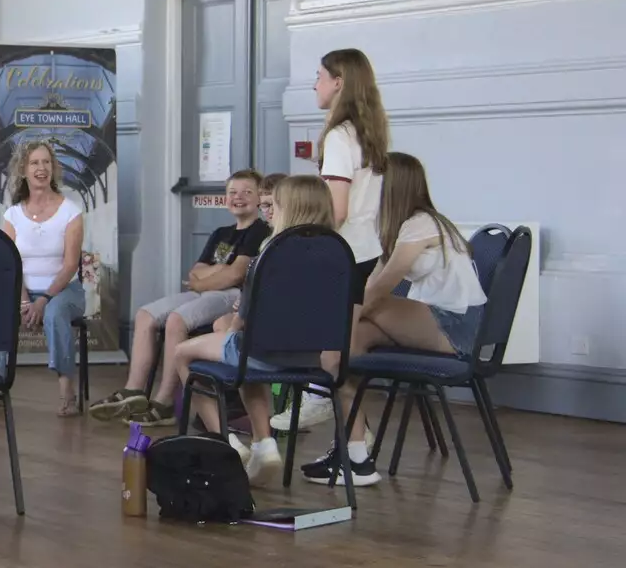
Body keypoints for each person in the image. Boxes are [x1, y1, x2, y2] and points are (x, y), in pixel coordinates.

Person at [301, 152, 486, 486]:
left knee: (364, 312)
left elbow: (378, 288)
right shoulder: (402, 227)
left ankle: (318, 392)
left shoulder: (421, 224)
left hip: (455, 328)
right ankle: (355, 453)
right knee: (348, 345)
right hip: (432, 322)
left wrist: (326, 320)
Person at [162, 175, 337, 486]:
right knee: (246, 357)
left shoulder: (272, 250)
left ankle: (226, 438)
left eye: (276, 204)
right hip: (310, 359)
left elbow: (245, 317)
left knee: (183, 353)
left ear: (289, 208)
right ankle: (262, 443)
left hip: (258, 352)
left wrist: (236, 322)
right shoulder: (337, 250)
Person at [89, 169, 268, 424]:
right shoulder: (221, 233)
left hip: (232, 296)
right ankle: (134, 391)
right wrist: (217, 272)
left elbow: (236, 276)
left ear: (259, 198)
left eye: (247, 192)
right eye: (232, 192)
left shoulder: (259, 231)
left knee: (176, 320)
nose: (238, 197)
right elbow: (195, 272)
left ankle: (165, 402)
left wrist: (211, 276)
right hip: (203, 291)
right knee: (145, 315)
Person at [272, 48, 390, 435]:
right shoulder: (367, 133)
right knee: (336, 353)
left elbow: (336, 209)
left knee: (328, 356)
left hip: (341, 256)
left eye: (320, 75)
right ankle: (357, 447)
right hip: (365, 251)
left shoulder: (339, 136)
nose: (315, 83)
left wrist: (303, 244)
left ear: (338, 82)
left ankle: (319, 403)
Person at [0, 141, 85, 417]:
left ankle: (67, 393)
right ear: (23, 170)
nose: (41, 168)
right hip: (23, 290)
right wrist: (24, 298)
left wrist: (44, 300)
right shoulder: (13, 214)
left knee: (54, 312)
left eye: (46, 162)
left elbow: (71, 265)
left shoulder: (71, 211)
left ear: (53, 168)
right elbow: (9, 262)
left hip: (64, 290)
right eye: (35, 163)